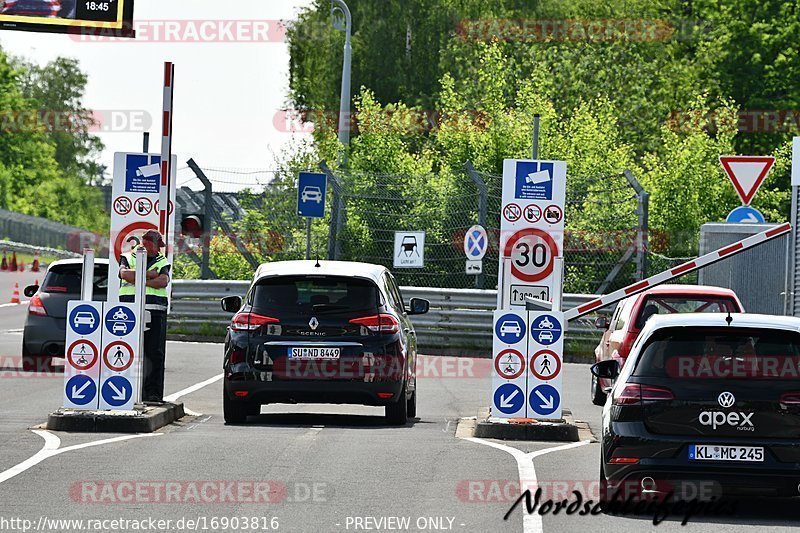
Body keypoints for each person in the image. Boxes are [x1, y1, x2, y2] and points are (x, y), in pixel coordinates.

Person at [118, 230, 170, 403]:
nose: (159, 249)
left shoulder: (162, 260)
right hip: (129, 312)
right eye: (157, 245)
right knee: (127, 352)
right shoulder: (127, 256)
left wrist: (139, 278)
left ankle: (153, 393)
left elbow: (163, 281)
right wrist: (149, 275)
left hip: (155, 311)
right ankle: (126, 390)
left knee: (154, 353)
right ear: (148, 243)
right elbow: (124, 274)